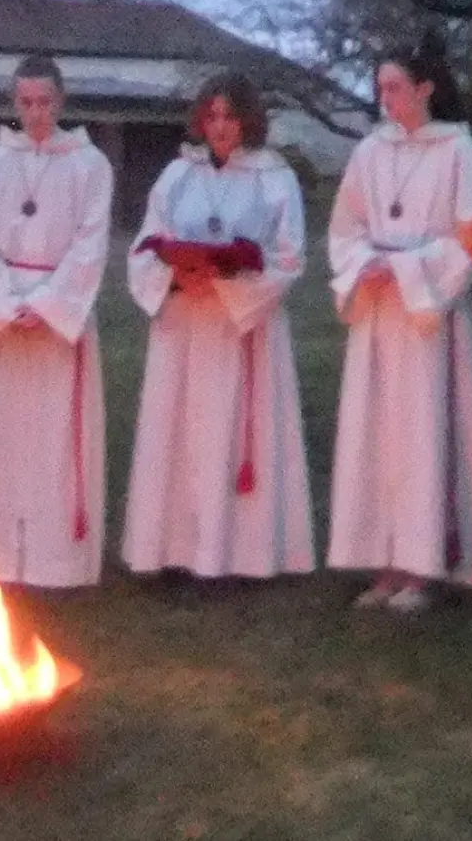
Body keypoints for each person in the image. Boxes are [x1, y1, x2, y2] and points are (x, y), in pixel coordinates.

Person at [122, 72, 314, 580]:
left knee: (228, 434)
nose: (220, 127)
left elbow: (290, 258)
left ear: (248, 119)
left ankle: (236, 557)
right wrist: (179, 275)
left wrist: (227, 278)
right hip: (185, 325)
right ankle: (175, 552)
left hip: (237, 330)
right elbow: (145, 244)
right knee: (180, 435)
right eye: (212, 116)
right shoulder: (178, 175)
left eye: (230, 116)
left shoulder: (275, 178)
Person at [326, 32, 472, 612]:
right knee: (376, 434)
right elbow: (345, 225)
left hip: (426, 316)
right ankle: (384, 560)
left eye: (395, 88)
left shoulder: (460, 152)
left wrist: (408, 269)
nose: (386, 100)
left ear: (425, 89)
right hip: (379, 311)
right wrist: (362, 263)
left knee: (423, 433)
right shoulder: (371, 151)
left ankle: (425, 563)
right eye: (380, 90)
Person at [0, 55, 113, 588]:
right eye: (26, 103)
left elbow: (91, 244)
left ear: (61, 102)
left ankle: (52, 563)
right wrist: (2, 303)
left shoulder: (90, 165)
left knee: (53, 446)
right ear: (14, 104)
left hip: (56, 323)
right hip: (3, 322)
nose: (36, 113)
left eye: (45, 102)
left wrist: (45, 305)